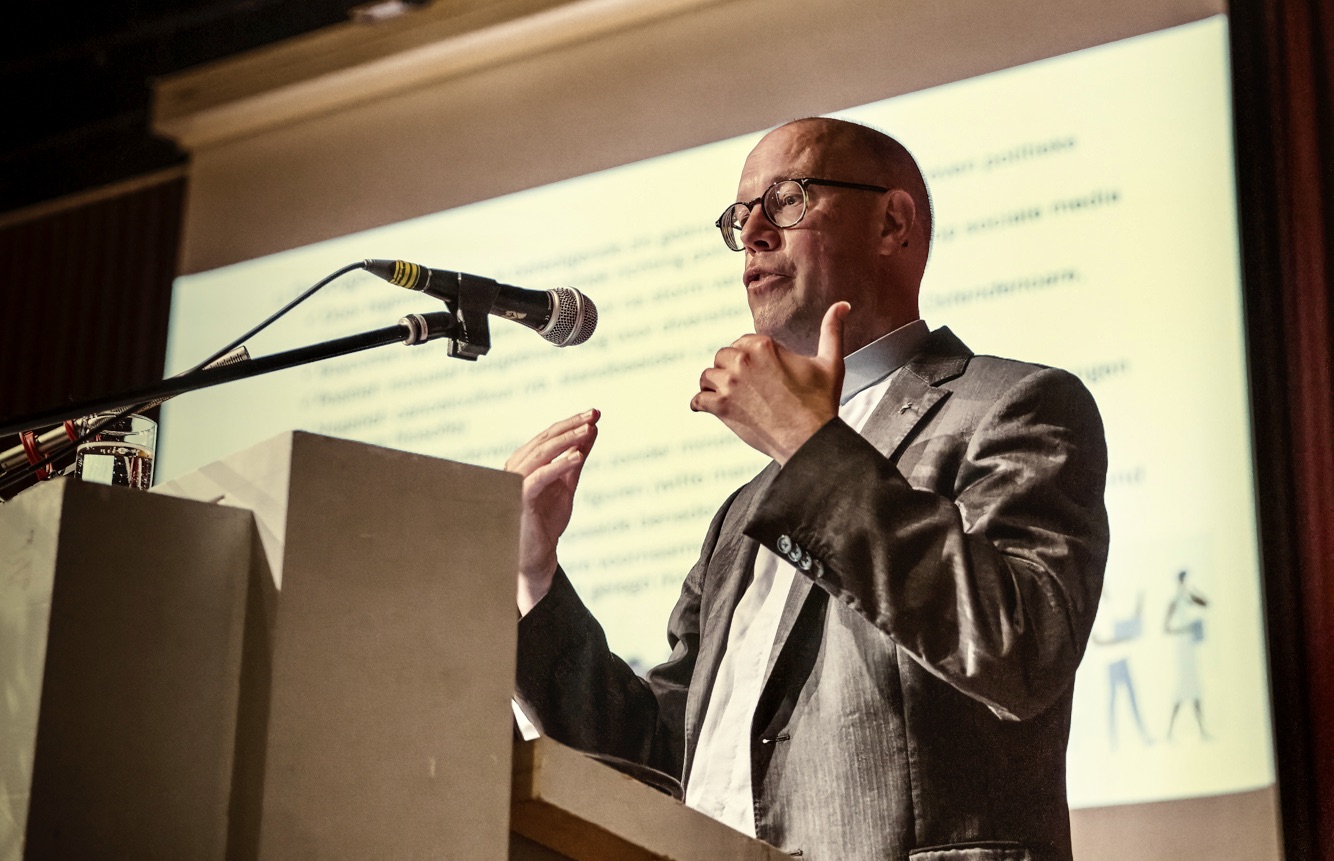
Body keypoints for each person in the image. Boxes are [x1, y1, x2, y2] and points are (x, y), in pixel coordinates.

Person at [506, 117, 1109, 861]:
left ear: (894, 222)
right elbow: (660, 756)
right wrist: (534, 574)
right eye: (738, 217)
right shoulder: (744, 510)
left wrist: (806, 446)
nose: (753, 232)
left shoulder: (1015, 405)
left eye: (786, 199)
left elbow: (1021, 650)